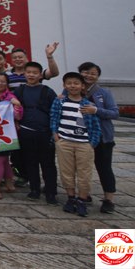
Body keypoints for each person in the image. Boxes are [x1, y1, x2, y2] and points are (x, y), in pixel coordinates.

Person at [50, 72, 101, 217]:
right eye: (69, 83)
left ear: (82, 86)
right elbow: (53, 117)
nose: (73, 86)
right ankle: (71, 198)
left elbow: (96, 126)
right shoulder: (60, 102)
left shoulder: (88, 105)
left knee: (84, 173)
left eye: (76, 83)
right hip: (64, 141)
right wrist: (55, 135)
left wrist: (92, 143)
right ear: (64, 85)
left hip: (84, 144)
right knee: (66, 171)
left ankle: (82, 200)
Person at [14, 61, 59, 204]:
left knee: (48, 163)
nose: (31, 75)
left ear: (40, 75)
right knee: (30, 162)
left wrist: (55, 131)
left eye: (35, 73)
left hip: (45, 132)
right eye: (28, 72)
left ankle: (51, 192)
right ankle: (34, 189)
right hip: (26, 131)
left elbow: (56, 111)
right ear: (24, 74)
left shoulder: (47, 91)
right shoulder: (19, 91)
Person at [79, 61, 119, 213]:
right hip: (80, 136)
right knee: (82, 168)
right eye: (85, 72)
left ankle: (109, 199)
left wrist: (95, 110)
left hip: (102, 137)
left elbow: (115, 113)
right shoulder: (73, 89)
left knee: (104, 167)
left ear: (97, 76)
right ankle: (84, 194)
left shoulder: (103, 93)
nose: (89, 76)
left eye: (93, 73)